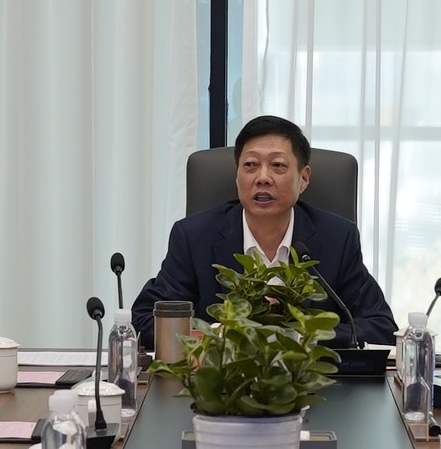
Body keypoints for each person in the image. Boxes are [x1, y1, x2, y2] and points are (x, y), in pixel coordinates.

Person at [132, 116, 396, 349]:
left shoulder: (337, 238)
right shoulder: (194, 236)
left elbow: (380, 326)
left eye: (278, 166)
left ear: (304, 179)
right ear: (237, 176)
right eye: (250, 165)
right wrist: (218, 336)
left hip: (310, 382)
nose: (263, 177)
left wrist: (300, 336)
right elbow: (144, 319)